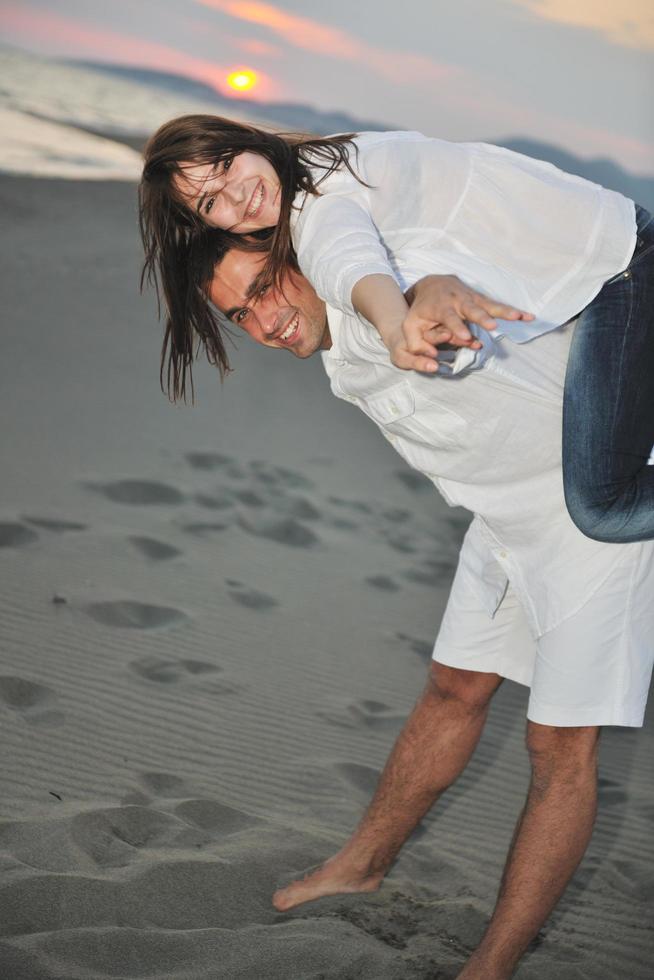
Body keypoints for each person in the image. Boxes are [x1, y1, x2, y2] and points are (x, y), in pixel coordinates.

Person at [205, 241, 654, 980]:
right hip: (504, 517)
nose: (266, 321)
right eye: (240, 315)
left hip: (591, 512)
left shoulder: (387, 289)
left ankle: (491, 966)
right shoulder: (338, 343)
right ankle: (361, 864)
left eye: (264, 288)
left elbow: (435, 281)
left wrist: (440, 285)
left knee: (559, 749)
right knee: (454, 688)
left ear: (303, 259)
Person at [139, 115, 654, 544]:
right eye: (210, 204)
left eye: (226, 167)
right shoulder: (328, 161)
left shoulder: (321, 201)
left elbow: (346, 260)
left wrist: (392, 326)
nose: (237, 197)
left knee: (601, 506)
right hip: (599, 262)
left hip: (618, 265)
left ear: (246, 142)